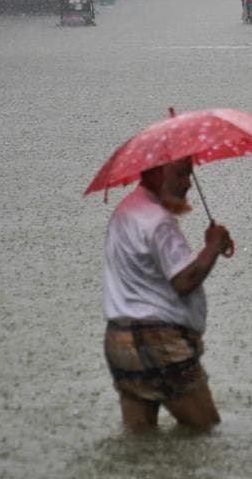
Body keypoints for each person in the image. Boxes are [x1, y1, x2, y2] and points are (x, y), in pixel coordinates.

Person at [102, 157, 234, 433]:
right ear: (158, 173)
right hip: (158, 342)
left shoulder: (124, 212)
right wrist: (213, 246)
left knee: (140, 440)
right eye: (182, 174)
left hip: (120, 340)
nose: (188, 183)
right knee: (205, 430)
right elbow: (185, 280)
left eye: (189, 174)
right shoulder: (158, 221)